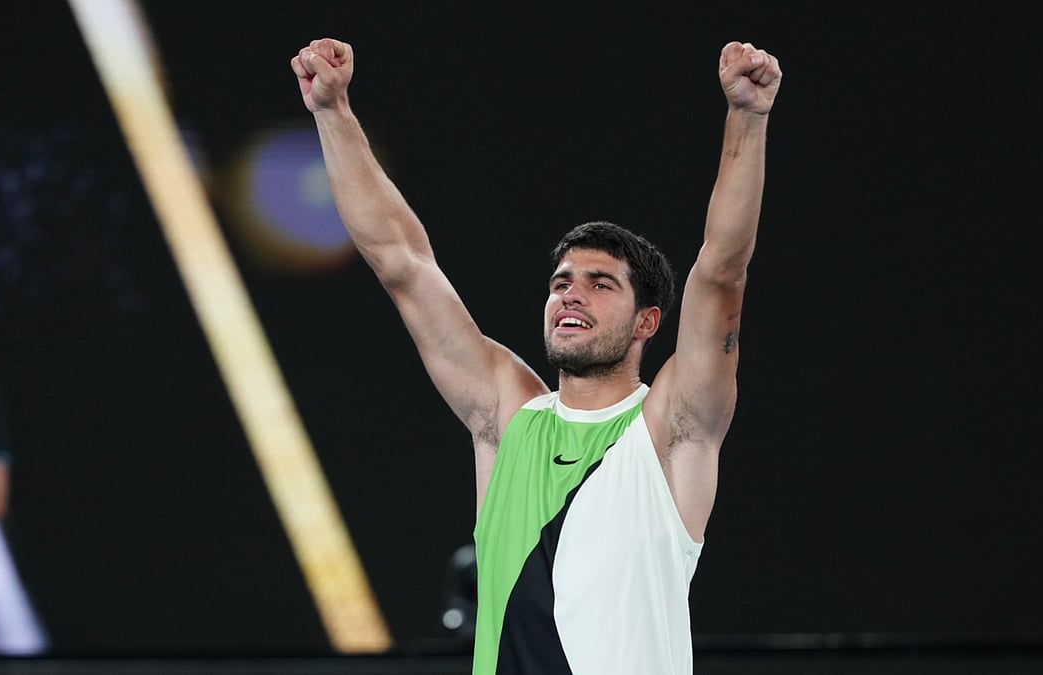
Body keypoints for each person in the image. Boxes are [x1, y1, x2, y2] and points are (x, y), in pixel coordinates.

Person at [292, 36, 781, 674]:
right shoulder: (507, 415)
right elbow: (403, 263)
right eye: (560, 283)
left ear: (647, 322)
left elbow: (721, 272)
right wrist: (333, 113)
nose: (570, 295)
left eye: (600, 284)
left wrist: (748, 117)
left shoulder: (673, 429)